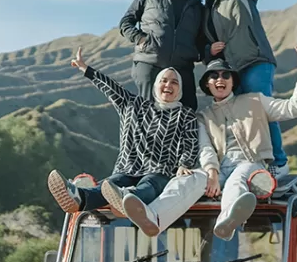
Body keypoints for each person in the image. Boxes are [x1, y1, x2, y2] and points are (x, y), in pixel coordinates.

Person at [46, 48, 207, 238]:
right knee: (110, 185)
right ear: (156, 85)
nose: (168, 85)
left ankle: (128, 201)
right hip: (127, 167)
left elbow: (190, 142)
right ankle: (79, 198)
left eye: (174, 82)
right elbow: (111, 87)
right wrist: (85, 69)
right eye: (164, 80)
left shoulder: (185, 115)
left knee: (148, 185)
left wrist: (184, 164)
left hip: (160, 170)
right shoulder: (133, 105)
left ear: (180, 89)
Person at [198, 0, 289, 177]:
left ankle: (279, 163)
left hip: (254, 61)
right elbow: (202, 47)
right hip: (230, 71)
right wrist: (208, 52)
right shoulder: (205, 12)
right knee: (240, 119)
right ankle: (246, 163)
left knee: (261, 110)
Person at [197, 47, 297, 241]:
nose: (220, 79)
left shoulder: (255, 101)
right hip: (219, 168)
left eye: (226, 75)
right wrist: (211, 173)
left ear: (233, 82)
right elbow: (205, 149)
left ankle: (226, 222)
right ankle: (155, 216)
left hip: (250, 163)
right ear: (207, 84)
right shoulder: (203, 116)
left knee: (237, 180)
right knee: (193, 181)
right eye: (214, 76)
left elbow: (294, 108)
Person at [119, 0, 203, 110]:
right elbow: (126, 22)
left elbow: (201, 37)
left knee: (188, 110)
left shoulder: (195, 4)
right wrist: (140, 38)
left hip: (182, 65)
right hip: (150, 61)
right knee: (147, 111)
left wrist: (201, 52)